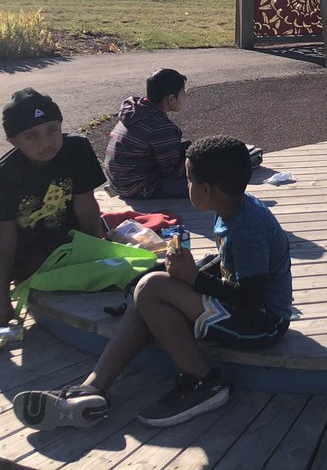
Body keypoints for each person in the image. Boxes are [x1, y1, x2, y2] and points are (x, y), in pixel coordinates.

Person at [13, 136, 292, 430]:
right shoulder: (234, 209)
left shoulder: (246, 228)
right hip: (244, 311)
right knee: (148, 289)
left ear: (207, 189)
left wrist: (193, 279)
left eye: (188, 180)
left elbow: (251, 297)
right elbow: (227, 266)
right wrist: (182, 272)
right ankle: (91, 389)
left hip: (262, 324)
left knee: (152, 287)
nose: (186, 186)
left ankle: (203, 382)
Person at [1, 88, 106, 320]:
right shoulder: (5, 174)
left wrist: (94, 257)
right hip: (29, 253)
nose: (46, 142)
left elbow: (87, 208)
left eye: (52, 130)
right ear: (13, 141)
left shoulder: (77, 149)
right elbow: (6, 238)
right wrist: (2, 297)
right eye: (32, 136)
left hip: (70, 244)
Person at [103, 69, 190, 200]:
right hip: (139, 187)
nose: (185, 97)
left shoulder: (135, 111)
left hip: (118, 182)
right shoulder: (161, 127)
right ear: (171, 98)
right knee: (204, 186)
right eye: (183, 93)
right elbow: (173, 171)